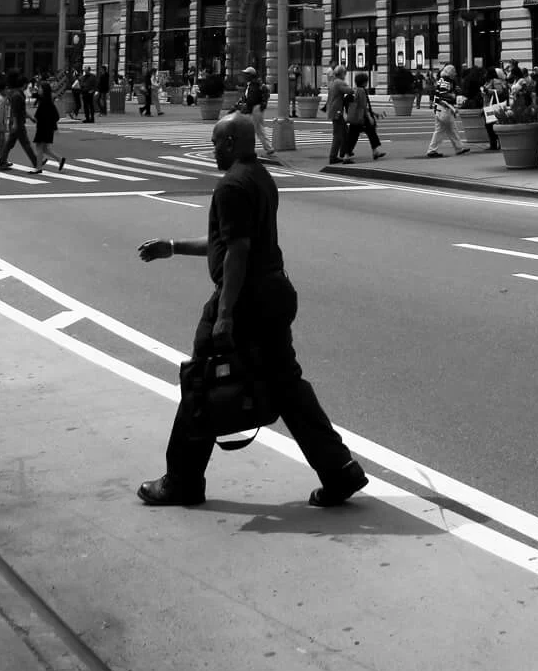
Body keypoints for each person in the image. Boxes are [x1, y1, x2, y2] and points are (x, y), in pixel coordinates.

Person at [134, 113, 367, 510]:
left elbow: (237, 252)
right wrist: (172, 246)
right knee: (287, 386)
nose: (212, 151)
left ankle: (182, 481)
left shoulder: (231, 186)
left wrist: (224, 313)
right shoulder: (259, 177)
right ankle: (339, 469)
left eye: (215, 143)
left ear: (228, 143)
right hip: (274, 292)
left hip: (244, 299)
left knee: (200, 383)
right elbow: (228, 242)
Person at [0, 76, 44, 173]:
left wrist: (30, 117)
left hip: (17, 122)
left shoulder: (17, 94)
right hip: (17, 123)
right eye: (27, 84)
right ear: (23, 84)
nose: (27, 86)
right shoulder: (17, 95)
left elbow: (21, 110)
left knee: (10, 144)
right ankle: (36, 162)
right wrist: (15, 124)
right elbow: (15, 111)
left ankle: (1, 162)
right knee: (25, 144)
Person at [423, 66, 470, 158]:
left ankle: (457, 148)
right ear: (450, 73)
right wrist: (454, 97)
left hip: (440, 108)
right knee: (447, 130)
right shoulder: (446, 81)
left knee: (446, 129)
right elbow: (444, 95)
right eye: (454, 72)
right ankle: (434, 150)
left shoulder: (443, 80)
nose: (455, 73)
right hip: (444, 108)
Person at [346, 71, 386, 159]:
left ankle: (374, 151)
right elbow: (364, 105)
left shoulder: (355, 90)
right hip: (362, 117)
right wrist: (369, 117)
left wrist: (374, 114)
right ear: (364, 82)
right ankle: (347, 155)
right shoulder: (362, 91)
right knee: (368, 133)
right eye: (366, 81)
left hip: (356, 116)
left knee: (356, 135)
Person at [238, 65, 275, 160]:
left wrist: (245, 107)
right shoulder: (251, 84)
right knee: (257, 129)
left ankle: (265, 148)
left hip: (255, 109)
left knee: (256, 130)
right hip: (255, 109)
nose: (244, 76)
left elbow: (252, 99)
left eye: (246, 74)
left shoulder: (253, 85)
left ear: (251, 75)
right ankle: (267, 148)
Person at [32, 76, 66, 171]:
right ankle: (60, 159)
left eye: (40, 88)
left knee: (39, 147)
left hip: (43, 128)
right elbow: (56, 116)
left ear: (45, 90)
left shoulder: (44, 102)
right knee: (45, 148)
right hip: (47, 128)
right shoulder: (48, 101)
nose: (39, 90)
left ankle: (38, 168)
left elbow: (37, 116)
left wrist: (40, 120)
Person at [324, 66, 353, 165]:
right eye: (344, 73)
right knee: (341, 134)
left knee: (341, 133)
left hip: (334, 111)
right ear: (341, 74)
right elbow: (349, 91)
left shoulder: (333, 82)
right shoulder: (338, 82)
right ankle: (338, 155)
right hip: (337, 112)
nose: (345, 75)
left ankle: (339, 154)